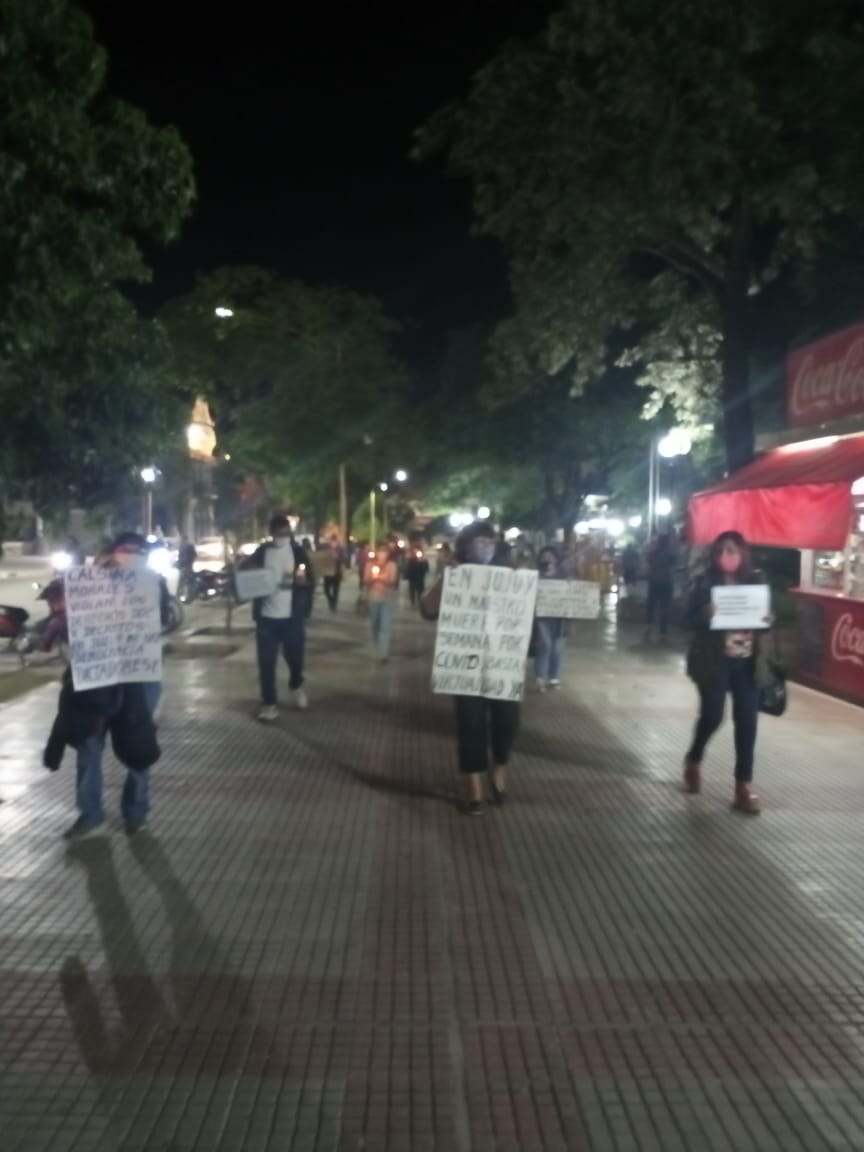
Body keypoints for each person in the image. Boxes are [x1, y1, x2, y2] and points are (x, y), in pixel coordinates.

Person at [40, 576, 160, 838]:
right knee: (88, 751)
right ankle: (90, 814)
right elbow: (45, 644)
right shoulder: (62, 621)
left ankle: (136, 812)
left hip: (132, 687)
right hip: (91, 694)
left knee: (137, 749)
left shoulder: (130, 599)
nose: (57, 605)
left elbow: (150, 624)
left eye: (60, 600)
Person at [421, 521, 521, 816]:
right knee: (470, 725)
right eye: (479, 542)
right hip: (465, 664)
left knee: (507, 721)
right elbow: (427, 609)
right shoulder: (456, 574)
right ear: (465, 548)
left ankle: (498, 769)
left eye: (489, 542)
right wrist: (449, 577)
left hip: (501, 664)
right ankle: (473, 787)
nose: (485, 547)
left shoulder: (507, 573)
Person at [683, 530, 773, 814]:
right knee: (712, 715)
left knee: (747, 721)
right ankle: (694, 757)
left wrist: (767, 621)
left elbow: (764, 620)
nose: (725, 556)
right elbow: (685, 618)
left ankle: (743, 786)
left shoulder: (755, 581)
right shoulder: (704, 581)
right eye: (720, 550)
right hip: (714, 660)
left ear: (743, 554)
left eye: (732, 550)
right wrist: (704, 614)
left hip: (746, 661)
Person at [247, 513, 314, 720]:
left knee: (295, 659)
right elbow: (246, 572)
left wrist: (304, 591)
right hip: (267, 619)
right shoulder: (262, 552)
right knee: (266, 663)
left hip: (292, 618)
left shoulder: (298, 553)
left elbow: (310, 581)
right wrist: (248, 571)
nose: (283, 537)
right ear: (272, 533)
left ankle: (296, 684)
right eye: (279, 533)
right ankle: (269, 703)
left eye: (286, 533)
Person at [534, 546, 565, 691]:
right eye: (544, 557)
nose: (547, 560)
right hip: (542, 618)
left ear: (556, 559)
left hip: (560, 618)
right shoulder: (536, 575)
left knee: (557, 649)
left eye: (550, 556)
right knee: (544, 646)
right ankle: (540, 677)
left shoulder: (563, 575)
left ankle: (553, 677)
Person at [365, 544, 399, 662]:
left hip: (387, 599)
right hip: (373, 599)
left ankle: (383, 653)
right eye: (380, 552)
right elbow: (366, 580)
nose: (382, 555)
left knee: (385, 626)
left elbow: (392, 581)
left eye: (384, 552)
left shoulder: (392, 565)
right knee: (375, 624)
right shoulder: (370, 565)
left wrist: (379, 578)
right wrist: (374, 578)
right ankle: (377, 644)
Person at [645, 533, 676, 642]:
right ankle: (663, 632)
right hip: (666, 583)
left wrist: (652, 547)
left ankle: (649, 625)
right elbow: (674, 565)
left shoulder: (653, 554)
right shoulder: (670, 555)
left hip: (654, 582)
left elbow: (649, 562)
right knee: (664, 608)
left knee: (651, 605)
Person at [320, 536, 345, 612]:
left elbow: (343, 559)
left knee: (335, 590)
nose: (333, 543)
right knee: (326, 589)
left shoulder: (340, 549)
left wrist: (337, 557)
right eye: (332, 542)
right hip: (328, 572)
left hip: (336, 572)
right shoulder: (327, 549)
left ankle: (333, 605)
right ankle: (331, 600)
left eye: (335, 542)